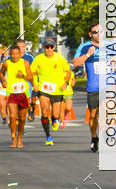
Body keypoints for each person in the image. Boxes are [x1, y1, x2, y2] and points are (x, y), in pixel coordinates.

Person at [30, 39, 71, 146]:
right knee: (44, 111)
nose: (49, 49)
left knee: (56, 114)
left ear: (54, 47)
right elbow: (32, 72)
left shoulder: (60, 58)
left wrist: (66, 82)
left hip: (57, 90)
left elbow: (68, 70)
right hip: (43, 89)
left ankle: (54, 119)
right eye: (47, 47)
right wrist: (34, 83)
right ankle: (48, 136)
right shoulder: (38, 59)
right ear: (43, 47)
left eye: (51, 47)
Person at [72, 23, 101, 152]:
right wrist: (88, 55)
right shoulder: (84, 47)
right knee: (93, 115)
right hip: (93, 87)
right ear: (90, 34)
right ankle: (94, 137)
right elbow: (76, 63)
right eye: (95, 32)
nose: (98, 34)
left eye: (101, 31)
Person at [0, 45, 33, 148]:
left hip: (23, 93)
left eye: (16, 54)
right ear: (10, 54)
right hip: (11, 93)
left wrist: (23, 76)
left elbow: (30, 77)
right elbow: (1, 73)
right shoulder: (7, 63)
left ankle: (19, 137)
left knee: (22, 118)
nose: (15, 56)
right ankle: (13, 137)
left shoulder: (25, 63)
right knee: (13, 116)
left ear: (20, 54)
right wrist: (3, 81)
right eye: (12, 54)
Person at [16, 38, 36, 121]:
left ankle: (32, 110)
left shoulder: (29, 58)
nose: (21, 48)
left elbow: (34, 71)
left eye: (22, 46)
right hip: (15, 83)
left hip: (28, 83)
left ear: (25, 47)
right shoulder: (11, 57)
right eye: (19, 46)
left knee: (30, 102)